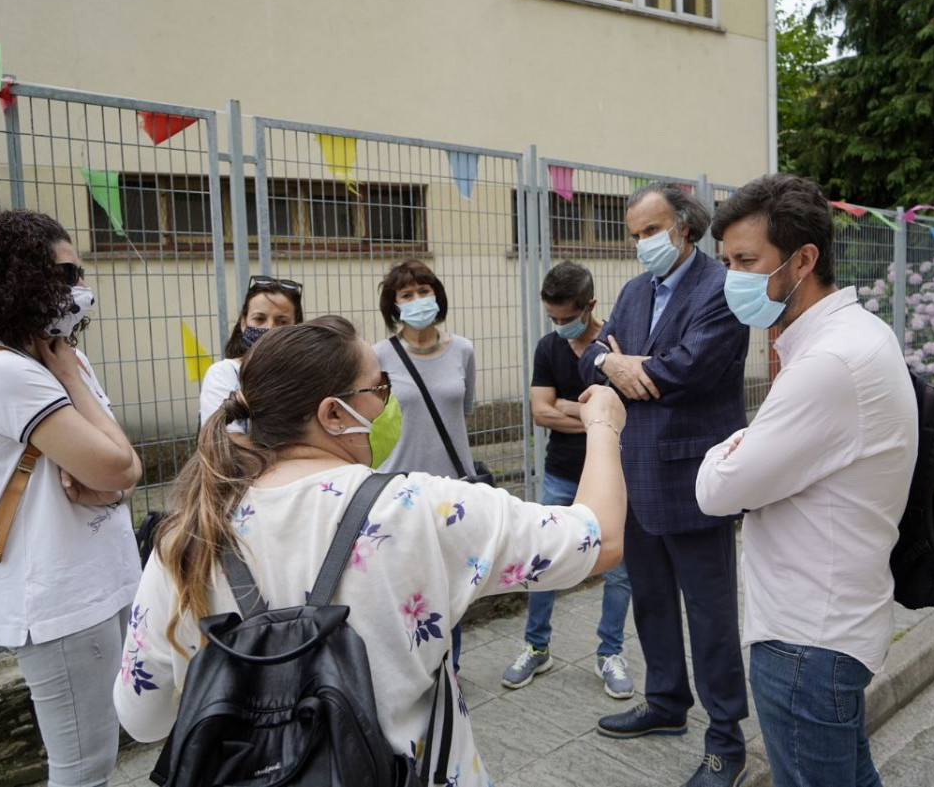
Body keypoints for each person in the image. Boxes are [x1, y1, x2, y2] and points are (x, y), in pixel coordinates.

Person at [112, 317, 629, 786]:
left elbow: (142, 716)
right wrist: (603, 424)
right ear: (334, 414)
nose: (390, 400)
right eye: (380, 387)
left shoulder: (187, 537)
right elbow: (596, 540)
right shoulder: (420, 507)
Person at [696, 174, 918, 787]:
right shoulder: (857, 336)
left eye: (745, 261)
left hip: (805, 641)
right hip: (832, 624)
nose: (731, 278)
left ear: (804, 260)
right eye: (726, 262)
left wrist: (729, 447)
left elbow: (718, 491)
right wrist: (750, 449)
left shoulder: (827, 363)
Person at [0, 208, 143, 786]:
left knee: (103, 756)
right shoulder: (5, 372)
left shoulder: (57, 356)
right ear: (17, 280)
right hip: (58, 601)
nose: (78, 288)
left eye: (79, 271)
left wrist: (111, 478)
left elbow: (116, 475)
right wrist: (77, 389)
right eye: (64, 274)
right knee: (83, 767)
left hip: (102, 580)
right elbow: (117, 461)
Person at [578, 182, 751, 787]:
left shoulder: (721, 288)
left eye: (650, 231)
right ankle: (666, 703)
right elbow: (589, 355)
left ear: (684, 228)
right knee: (649, 600)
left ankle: (726, 742)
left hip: (695, 478)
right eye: (634, 235)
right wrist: (612, 361)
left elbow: (690, 366)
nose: (641, 245)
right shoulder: (631, 292)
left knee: (710, 617)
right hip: (634, 474)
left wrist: (626, 363)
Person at [500, 262, 635, 699]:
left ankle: (609, 653)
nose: (559, 326)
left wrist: (567, 407)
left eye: (567, 318)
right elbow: (540, 411)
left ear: (590, 305)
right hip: (560, 473)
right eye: (552, 318)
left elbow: (630, 410)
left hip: (613, 477)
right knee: (543, 563)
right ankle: (537, 646)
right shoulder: (547, 348)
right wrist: (599, 418)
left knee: (618, 571)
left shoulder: (616, 344)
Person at [373, 259, 476, 671]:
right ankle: (409, 671)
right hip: (398, 489)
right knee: (404, 587)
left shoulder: (463, 349)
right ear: (394, 306)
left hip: (453, 489)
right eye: (407, 295)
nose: (418, 300)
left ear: (437, 294)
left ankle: (449, 672)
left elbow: (464, 408)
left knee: (451, 588)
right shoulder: (378, 356)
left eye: (424, 290)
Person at [198, 274, 303, 431]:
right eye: (260, 319)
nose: (269, 329)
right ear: (243, 323)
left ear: (297, 327)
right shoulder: (224, 374)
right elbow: (225, 444)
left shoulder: (305, 376)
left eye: (282, 322)